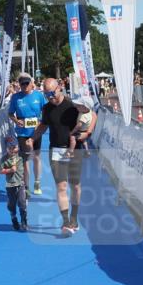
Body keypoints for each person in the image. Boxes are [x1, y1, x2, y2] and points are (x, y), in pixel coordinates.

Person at [31, 78, 96, 235]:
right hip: (56, 151)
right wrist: (32, 138)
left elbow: (93, 115)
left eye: (52, 93)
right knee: (61, 186)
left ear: (59, 88)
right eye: (46, 94)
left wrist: (88, 132)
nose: (50, 97)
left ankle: (74, 218)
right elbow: (43, 125)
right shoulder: (46, 109)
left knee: (75, 186)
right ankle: (66, 222)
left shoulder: (72, 105)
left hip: (74, 150)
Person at [7, 74, 45, 197]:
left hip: (36, 130)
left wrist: (40, 122)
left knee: (36, 158)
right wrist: (16, 121)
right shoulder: (15, 97)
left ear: (31, 83)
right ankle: (26, 187)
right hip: (22, 132)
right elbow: (10, 113)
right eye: (22, 84)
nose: (25, 86)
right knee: (25, 161)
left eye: (27, 83)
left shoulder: (39, 95)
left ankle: (37, 183)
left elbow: (45, 111)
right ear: (19, 84)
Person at [0, 136, 28, 231]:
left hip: (20, 184)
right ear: (6, 148)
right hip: (10, 185)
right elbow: (0, 171)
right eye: (10, 148)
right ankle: (13, 217)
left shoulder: (21, 156)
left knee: (22, 203)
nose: (12, 150)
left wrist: (30, 146)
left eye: (14, 147)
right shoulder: (4, 159)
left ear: (18, 147)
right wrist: (10, 170)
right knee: (12, 204)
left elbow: (31, 154)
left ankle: (24, 221)